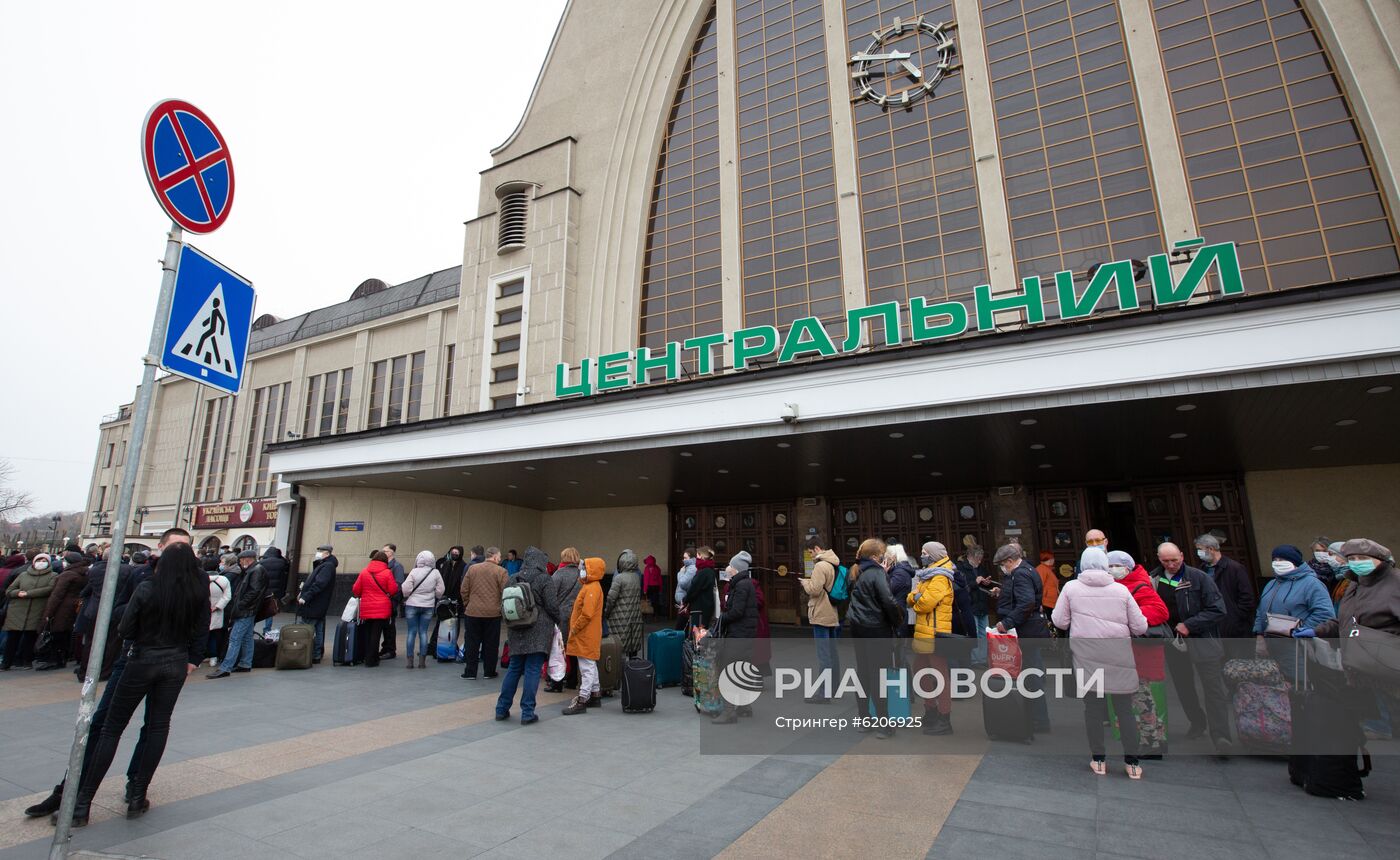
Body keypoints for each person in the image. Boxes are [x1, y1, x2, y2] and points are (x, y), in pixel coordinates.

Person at [70, 542, 207, 825]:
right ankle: (137, 795)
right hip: (175, 662)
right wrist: (191, 657)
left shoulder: (147, 588)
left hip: (142, 660)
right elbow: (201, 630)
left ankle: (83, 802)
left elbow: (125, 628)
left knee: (111, 729)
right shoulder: (196, 593)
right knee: (158, 726)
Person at [1052, 547, 1148, 778]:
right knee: (1124, 710)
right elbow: (1140, 627)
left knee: (1093, 709)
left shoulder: (1071, 588)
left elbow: (1059, 621)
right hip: (1118, 655)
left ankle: (1099, 759)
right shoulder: (1121, 590)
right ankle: (1132, 763)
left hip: (1087, 657)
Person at [1301, 538, 1399, 741]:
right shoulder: (1355, 585)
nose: (1356, 562)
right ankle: (1380, 726)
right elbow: (1345, 620)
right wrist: (1317, 630)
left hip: (1390, 664)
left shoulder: (1395, 583)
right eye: (1352, 558)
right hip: (1363, 664)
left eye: (1362, 558)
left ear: (1380, 560)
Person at [1152, 542, 1233, 751]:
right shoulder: (1154, 579)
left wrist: (1190, 624)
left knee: (1213, 688)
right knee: (1184, 687)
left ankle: (1221, 736)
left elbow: (1218, 609)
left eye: (1174, 560)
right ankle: (1197, 721)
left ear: (1182, 555)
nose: (1171, 565)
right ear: (1159, 559)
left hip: (1203, 640)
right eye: (1166, 561)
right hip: (1173, 642)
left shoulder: (1199, 577)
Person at [1109, 550, 1171, 757]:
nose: (1111, 570)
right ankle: (1153, 737)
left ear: (1127, 567)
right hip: (1127, 650)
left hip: (1138, 652)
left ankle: (1152, 741)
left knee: (1141, 695)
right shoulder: (1120, 585)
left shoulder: (1139, 585)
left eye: (1115, 566)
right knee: (1137, 695)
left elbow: (1160, 611)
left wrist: (1128, 619)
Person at [992, 543, 1052, 732]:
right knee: (1030, 674)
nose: (1002, 568)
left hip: (1026, 630)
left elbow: (1026, 602)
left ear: (1010, 561)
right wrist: (1003, 593)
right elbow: (1022, 597)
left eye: (1003, 564)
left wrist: (1007, 623)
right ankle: (1035, 718)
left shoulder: (1021, 574)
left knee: (1030, 676)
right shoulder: (1025, 570)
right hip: (1029, 629)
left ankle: (1038, 720)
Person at [847, 538, 904, 738]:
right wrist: (898, 620)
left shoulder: (855, 571)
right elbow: (888, 600)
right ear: (874, 556)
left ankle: (864, 718)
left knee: (862, 672)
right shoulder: (877, 573)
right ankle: (883, 723)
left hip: (857, 627)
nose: (883, 558)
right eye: (881, 555)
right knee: (877, 675)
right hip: (876, 628)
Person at [1253, 545, 1334, 682]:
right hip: (1272, 644)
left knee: (1299, 683)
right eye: (1275, 559)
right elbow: (1261, 611)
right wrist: (1259, 635)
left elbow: (1324, 613)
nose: (1278, 563)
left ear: (1294, 562)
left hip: (1299, 646)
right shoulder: (1271, 584)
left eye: (1282, 559)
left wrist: (1300, 630)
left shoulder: (1311, 584)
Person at [497, 547, 556, 724]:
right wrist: (558, 621)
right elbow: (552, 605)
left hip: (516, 628)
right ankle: (527, 713)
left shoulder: (513, 577)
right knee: (532, 669)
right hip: (538, 630)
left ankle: (501, 708)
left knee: (514, 668)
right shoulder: (544, 579)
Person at [910, 541, 956, 735]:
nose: (922, 555)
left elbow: (924, 604)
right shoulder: (928, 574)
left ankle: (944, 718)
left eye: (924, 552)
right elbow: (912, 596)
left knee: (939, 674)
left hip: (936, 632)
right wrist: (916, 597)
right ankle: (930, 710)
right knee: (920, 671)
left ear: (933, 555)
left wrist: (916, 598)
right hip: (925, 631)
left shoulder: (939, 577)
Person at [712, 550, 760, 724]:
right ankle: (745, 706)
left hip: (739, 634)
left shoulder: (740, 585)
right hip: (745, 633)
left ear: (737, 568)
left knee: (728, 670)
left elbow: (737, 611)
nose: (728, 568)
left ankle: (729, 711)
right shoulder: (744, 583)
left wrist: (721, 618)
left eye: (731, 565)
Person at [1193, 534, 1256, 655]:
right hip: (1213, 626)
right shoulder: (1202, 570)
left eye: (1200, 549)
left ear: (1210, 549)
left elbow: (1247, 598)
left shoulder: (1235, 568)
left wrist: (1235, 619)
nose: (1198, 553)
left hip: (1234, 629)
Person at [207, 549, 266, 679]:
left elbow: (254, 592)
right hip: (248, 609)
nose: (240, 562)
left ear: (247, 559)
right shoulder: (254, 570)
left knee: (235, 638)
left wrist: (240, 605)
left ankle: (226, 667)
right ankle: (245, 663)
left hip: (246, 610)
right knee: (246, 637)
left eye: (241, 560)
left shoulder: (256, 570)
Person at [799, 536, 841, 703]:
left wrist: (805, 583)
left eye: (810, 552)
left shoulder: (820, 565)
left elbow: (815, 590)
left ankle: (824, 692)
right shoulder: (833, 562)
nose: (810, 555)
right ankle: (835, 687)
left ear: (816, 548)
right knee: (832, 653)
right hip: (832, 612)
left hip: (821, 612)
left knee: (824, 655)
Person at [563, 557, 606, 714]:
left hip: (584, 634)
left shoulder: (591, 588)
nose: (582, 571)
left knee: (586, 667)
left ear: (592, 571)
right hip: (588, 634)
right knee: (590, 664)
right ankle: (595, 695)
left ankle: (583, 699)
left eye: (585, 568)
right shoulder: (592, 586)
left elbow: (586, 614)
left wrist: (574, 628)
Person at [35, 551, 89, 670]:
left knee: (57, 632)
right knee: (66, 633)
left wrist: (48, 613)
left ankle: (55, 659)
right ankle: (63, 657)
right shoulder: (83, 573)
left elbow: (57, 595)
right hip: (74, 606)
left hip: (62, 607)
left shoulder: (67, 575)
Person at [460, 546, 508, 679]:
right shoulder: (502, 571)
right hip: (493, 613)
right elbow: (506, 591)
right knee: (491, 644)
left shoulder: (473, 568)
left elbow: (464, 589)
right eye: (499, 556)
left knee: (472, 643)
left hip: (473, 612)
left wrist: (467, 604)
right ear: (494, 556)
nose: (500, 559)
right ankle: (489, 671)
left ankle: (470, 672)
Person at [2, 552, 56, 669]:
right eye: (39, 560)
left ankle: (26, 661)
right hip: (17, 611)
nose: (41, 563)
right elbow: (9, 590)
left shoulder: (53, 575)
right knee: (12, 639)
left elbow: (49, 589)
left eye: (44, 560)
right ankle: (6, 662)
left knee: (29, 638)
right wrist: (18, 593)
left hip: (36, 611)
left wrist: (28, 594)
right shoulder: (23, 575)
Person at [350, 551, 397, 668]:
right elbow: (393, 590)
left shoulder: (364, 572)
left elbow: (356, 589)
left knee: (368, 633)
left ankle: (367, 656)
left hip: (366, 607)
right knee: (376, 634)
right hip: (382, 608)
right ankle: (372, 659)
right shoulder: (387, 573)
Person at [546, 547, 584, 692]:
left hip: (561, 615)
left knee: (558, 648)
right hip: (576, 616)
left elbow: (550, 596)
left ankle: (557, 682)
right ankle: (573, 680)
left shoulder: (559, 574)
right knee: (573, 648)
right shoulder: (582, 575)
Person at [402, 550, 445, 668]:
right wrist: (434, 594)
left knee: (411, 632)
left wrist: (409, 594)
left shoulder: (414, 571)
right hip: (428, 605)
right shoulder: (435, 572)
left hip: (412, 605)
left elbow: (405, 589)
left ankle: (410, 661)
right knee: (423, 632)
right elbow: (441, 590)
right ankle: (422, 662)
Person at [296, 544, 338, 664]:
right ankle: (316, 655)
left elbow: (319, 584)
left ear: (327, 553)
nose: (318, 553)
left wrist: (305, 596)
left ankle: (305, 654)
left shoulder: (327, 566)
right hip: (318, 603)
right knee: (317, 629)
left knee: (307, 628)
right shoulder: (324, 565)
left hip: (314, 603)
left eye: (321, 551)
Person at [606, 549, 645, 657]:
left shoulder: (619, 578)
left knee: (619, 646)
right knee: (633, 643)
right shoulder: (637, 577)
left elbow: (611, 598)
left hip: (619, 617)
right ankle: (632, 671)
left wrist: (606, 613)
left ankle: (620, 671)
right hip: (635, 616)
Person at [955, 546, 984, 664]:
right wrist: (975, 583)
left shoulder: (980, 568)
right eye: (978, 559)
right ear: (971, 557)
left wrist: (986, 583)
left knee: (983, 634)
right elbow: (965, 587)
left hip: (982, 604)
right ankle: (974, 659)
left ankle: (982, 658)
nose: (980, 561)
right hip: (972, 605)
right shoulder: (961, 569)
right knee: (974, 633)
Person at [207, 554, 233, 668]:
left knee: (200, 635)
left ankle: (197, 658)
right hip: (217, 612)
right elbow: (227, 596)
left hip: (202, 612)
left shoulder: (199, 579)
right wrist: (217, 606)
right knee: (213, 635)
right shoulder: (223, 579)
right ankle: (213, 657)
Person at [884, 544, 916, 638]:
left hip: (897, 613)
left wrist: (883, 573)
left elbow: (887, 590)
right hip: (896, 611)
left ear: (894, 557)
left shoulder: (900, 573)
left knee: (898, 646)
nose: (885, 558)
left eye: (887, 555)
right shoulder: (897, 570)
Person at [379, 544, 405, 658]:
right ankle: (385, 648)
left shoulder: (397, 566)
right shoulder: (383, 565)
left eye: (386, 551)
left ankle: (390, 649)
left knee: (389, 626)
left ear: (392, 552)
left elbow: (398, 584)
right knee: (384, 625)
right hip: (382, 599)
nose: (383, 553)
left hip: (390, 600)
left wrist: (390, 595)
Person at [258, 547, 289, 635]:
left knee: (258, 608)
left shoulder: (262, 562)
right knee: (270, 610)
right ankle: (267, 629)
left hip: (263, 589)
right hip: (275, 590)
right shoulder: (281, 563)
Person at [688, 546, 720, 628]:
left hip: (699, 608)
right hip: (706, 607)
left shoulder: (703, 572)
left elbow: (694, 589)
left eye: (697, 555)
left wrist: (684, 600)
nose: (696, 558)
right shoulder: (710, 570)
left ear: (702, 556)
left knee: (698, 634)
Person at [674, 548, 697, 627]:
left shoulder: (692, 568)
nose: (683, 560)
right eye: (683, 558)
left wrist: (681, 573)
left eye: (685, 558)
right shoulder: (688, 567)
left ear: (692, 558)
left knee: (681, 627)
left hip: (685, 603)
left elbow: (683, 583)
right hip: (683, 603)